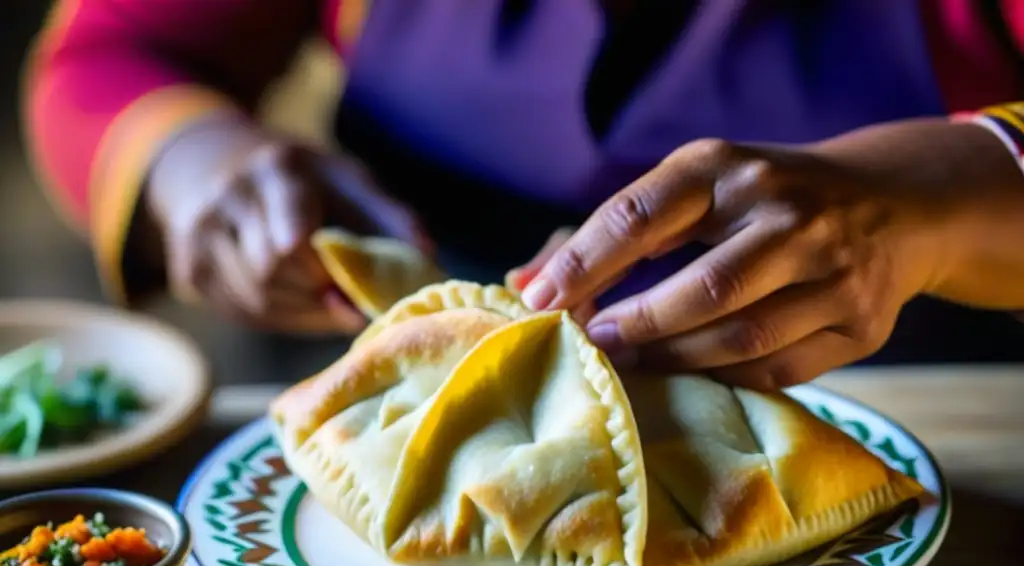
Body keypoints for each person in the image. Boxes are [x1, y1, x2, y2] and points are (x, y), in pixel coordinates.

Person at [21, 0, 1024, 390]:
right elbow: (112, 51)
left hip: (937, 426)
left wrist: (941, 198)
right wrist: (189, 158)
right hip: (447, 437)